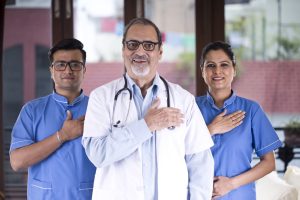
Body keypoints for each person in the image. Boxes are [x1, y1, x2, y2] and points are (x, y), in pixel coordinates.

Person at [82, 17, 214, 200]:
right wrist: (146, 125)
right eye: (132, 44)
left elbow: (200, 165)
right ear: (123, 50)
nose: (140, 51)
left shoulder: (183, 100)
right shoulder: (101, 97)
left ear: (160, 52)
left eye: (149, 45)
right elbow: (97, 154)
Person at [9, 38, 96, 200]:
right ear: (51, 70)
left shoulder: (98, 109)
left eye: (75, 64)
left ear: (84, 69)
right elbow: (17, 162)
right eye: (60, 64)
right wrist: (62, 135)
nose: (68, 70)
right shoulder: (32, 111)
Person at [196, 41, 283, 199]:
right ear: (202, 70)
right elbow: (176, 153)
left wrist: (231, 184)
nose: (217, 71)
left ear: (234, 70)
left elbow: (269, 163)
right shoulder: (190, 108)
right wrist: (210, 130)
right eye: (210, 65)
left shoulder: (251, 110)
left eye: (224, 65)